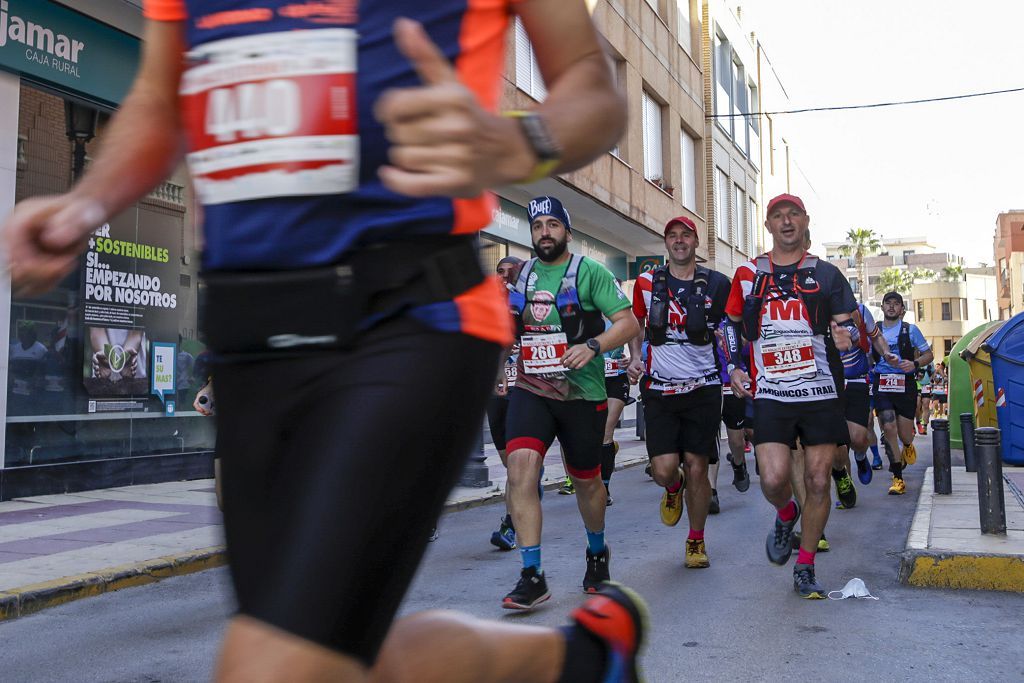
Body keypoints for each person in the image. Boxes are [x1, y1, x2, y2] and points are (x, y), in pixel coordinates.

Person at [3, 3, 648, 682]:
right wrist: (84, 204)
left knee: (274, 665)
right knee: (327, 656)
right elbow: (165, 95)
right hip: (252, 347)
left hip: (408, 317)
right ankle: (576, 661)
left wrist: (519, 140)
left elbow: (591, 82)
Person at [502, 195, 639, 608]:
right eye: (537, 225)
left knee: (586, 481)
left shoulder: (590, 272)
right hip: (532, 389)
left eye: (552, 224)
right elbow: (507, 329)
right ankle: (532, 574)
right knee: (520, 469)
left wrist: (593, 346)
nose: (545, 232)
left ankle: (597, 552)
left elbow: (628, 322)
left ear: (567, 231)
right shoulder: (521, 278)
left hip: (584, 393)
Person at [722, 193, 857, 599]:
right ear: (767, 226)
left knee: (818, 480)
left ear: (805, 221)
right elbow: (729, 326)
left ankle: (806, 566)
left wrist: (847, 339)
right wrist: (734, 366)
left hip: (819, 390)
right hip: (772, 394)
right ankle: (786, 513)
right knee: (776, 477)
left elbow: (850, 332)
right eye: (777, 216)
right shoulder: (748, 274)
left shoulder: (828, 274)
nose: (785, 222)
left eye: (793, 215)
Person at [627, 216, 730, 568]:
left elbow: (734, 327)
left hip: (703, 387)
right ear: (666, 243)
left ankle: (696, 541)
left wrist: (735, 361)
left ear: (696, 242)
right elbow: (634, 324)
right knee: (663, 469)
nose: (679, 241)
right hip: (659, 388)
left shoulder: (718, 284)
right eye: (672, 236)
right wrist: (634, 356)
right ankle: (673, 488)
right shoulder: (645, 283)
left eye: (686, 235)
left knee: (697, 466)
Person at [872, 292, 934, 496]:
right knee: (888, 426)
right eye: (887, 303)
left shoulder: (910, 330)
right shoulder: (875, 330)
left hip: (905, 383)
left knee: (905, 433)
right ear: (882, 307)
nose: (891, 307)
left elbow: (929, 354)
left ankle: (907, 444)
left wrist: (914, 364)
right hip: (882, 382)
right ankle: (898, 478)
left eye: (896, 304)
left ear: (901, 309)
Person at [835, 303, 898, 498]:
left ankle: (861, 456)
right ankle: (844, 480)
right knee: (838, 440)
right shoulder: (813, 310)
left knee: (858, 438)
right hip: (828, 384)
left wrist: (886, 353)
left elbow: (876, 336)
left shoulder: (860, 311)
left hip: (857, 381)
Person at [488, 256, 524, 551]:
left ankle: (510, 526)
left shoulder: (529, 306)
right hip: (495, 395)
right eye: (499, 271)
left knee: (515, 467)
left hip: (524, 391)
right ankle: (524, 494)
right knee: (508, 464)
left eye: (510, 271)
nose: (504, 276)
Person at [715, 322, 752, 498]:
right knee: (708, 438)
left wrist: (741, 342)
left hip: (733, 384)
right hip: (707, 383)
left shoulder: (737, 318)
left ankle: (739, 464)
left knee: (737, 440)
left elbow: (751, 349)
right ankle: (711, 492)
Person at [600, 307, 633, 506]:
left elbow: (636, 333)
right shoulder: (586, 315)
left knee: (605, 432)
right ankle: (609, 451)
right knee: (593, 436)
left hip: (617, 379)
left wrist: (633, 357)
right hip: (592, 380)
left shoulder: (621, 316)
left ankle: (604, 487)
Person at [915, 362, 934, 435]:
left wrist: (931, 379)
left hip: (926, 386)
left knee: (926, 405)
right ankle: (917, 423)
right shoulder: (917, 359)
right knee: (917, 405)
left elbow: (933, 372)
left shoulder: (930, 363)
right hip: (917, 385)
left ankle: (924, 427)